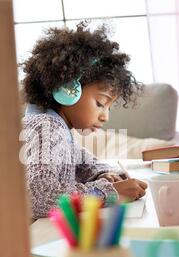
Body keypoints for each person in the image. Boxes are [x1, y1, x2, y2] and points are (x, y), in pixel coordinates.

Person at [21, 22, 147, 219]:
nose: (106, 116)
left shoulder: (53, 126)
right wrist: (110, 193)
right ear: (67, 90)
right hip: (31, 242)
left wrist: (105, 175)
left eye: (108, 107)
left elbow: (83, 163)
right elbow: (40, 198)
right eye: (100, 103)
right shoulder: (46, 128)